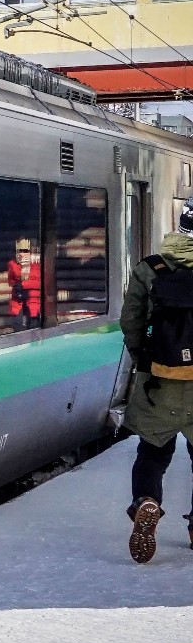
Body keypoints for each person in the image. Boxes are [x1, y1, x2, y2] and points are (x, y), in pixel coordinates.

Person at [120, 203, 193, 562]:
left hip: (158, 382)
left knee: (152, 452)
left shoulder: (151, 269)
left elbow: (130, 321)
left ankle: (146, 502)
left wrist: (144, 362)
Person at [8, 237, 43, 327]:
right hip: (18, 301)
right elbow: (11, 281)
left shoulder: (37, 264)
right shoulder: (12, 264)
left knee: (34, 327)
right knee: (18, 328)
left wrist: (23, 285)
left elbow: (40, 281)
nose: (22, 254)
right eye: (20, 251)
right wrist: (16, 287)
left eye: (25, 251)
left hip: (34, 302)